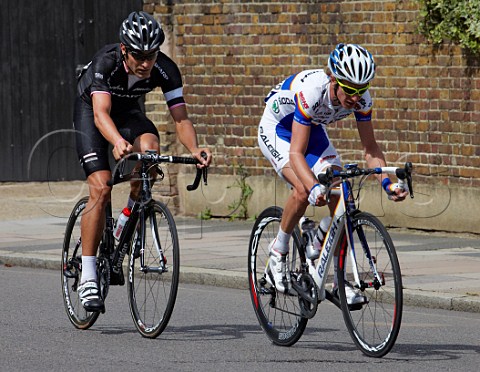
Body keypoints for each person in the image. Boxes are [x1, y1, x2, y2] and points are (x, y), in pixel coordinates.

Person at [73, 11, 211, 312]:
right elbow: (100, 114)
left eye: (151, 55)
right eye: (139, 56)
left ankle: (125, 219)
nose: (146, 63)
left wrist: (196, 149)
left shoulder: (165, 69)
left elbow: (181, 118)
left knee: (150, 151)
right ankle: (88, 274)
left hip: (127, 113)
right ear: (125, 50)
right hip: (93, 113)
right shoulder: (105, 63)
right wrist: (117, 142)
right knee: (101, 187)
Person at [258, 43, 408, 303]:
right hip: (278, 130)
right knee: (305, 189)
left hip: (312, 130)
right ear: (334, 79)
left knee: (342, 196)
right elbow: (295, 153)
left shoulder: (362, 99)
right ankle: (278, 250)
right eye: (349, 89)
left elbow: (370, 148)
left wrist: (387, 183)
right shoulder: (313, 91)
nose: (355, 97)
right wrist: (314, 185)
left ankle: (335, 275)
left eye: (361, 90)